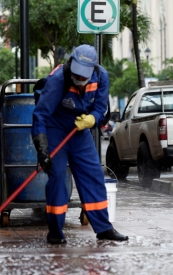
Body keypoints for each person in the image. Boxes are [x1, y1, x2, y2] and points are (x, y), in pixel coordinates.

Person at [31, 44, 128, 244]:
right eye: (77, 75)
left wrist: (93, 119)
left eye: (84, 76)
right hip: (56, 128)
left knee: (93, 174)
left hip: (80, 130)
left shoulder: (101, 77)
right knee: (57, 176)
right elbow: (40, 114)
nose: (80, 80)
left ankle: (103, 228)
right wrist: (42, 149)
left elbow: (100, 108)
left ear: (93, 69)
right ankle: (55, 232)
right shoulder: (58, 79)